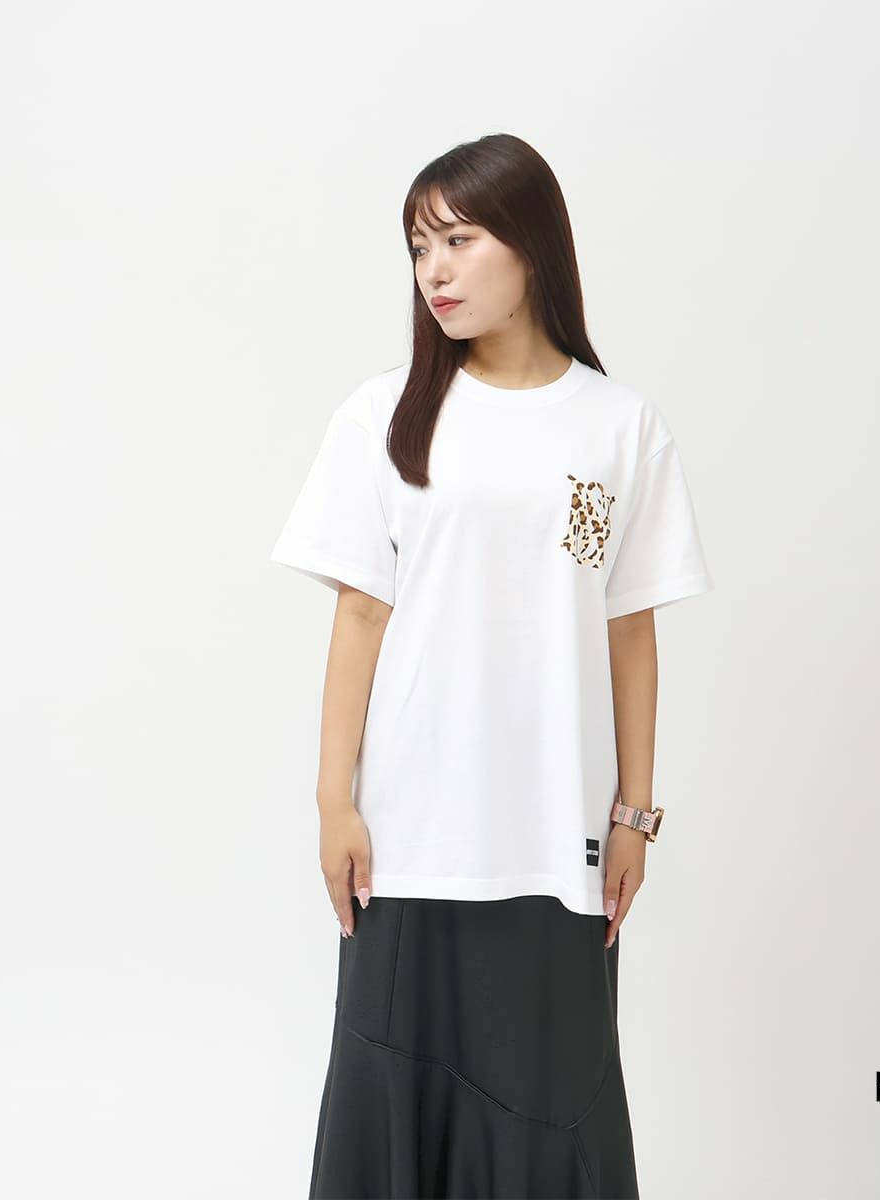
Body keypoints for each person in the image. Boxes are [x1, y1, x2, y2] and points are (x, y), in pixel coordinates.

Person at [269, 132, 714, 1199]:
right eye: (419, 247)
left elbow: (629, 629)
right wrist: (334, 803)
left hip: (555, 840)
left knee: (553, 1105)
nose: (435, 271)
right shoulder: (384, 416)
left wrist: (634, 814)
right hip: (409, 839)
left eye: (460, 240)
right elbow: (360, 617)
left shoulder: (617, 428)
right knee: (393, 1098)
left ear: (532, 244)